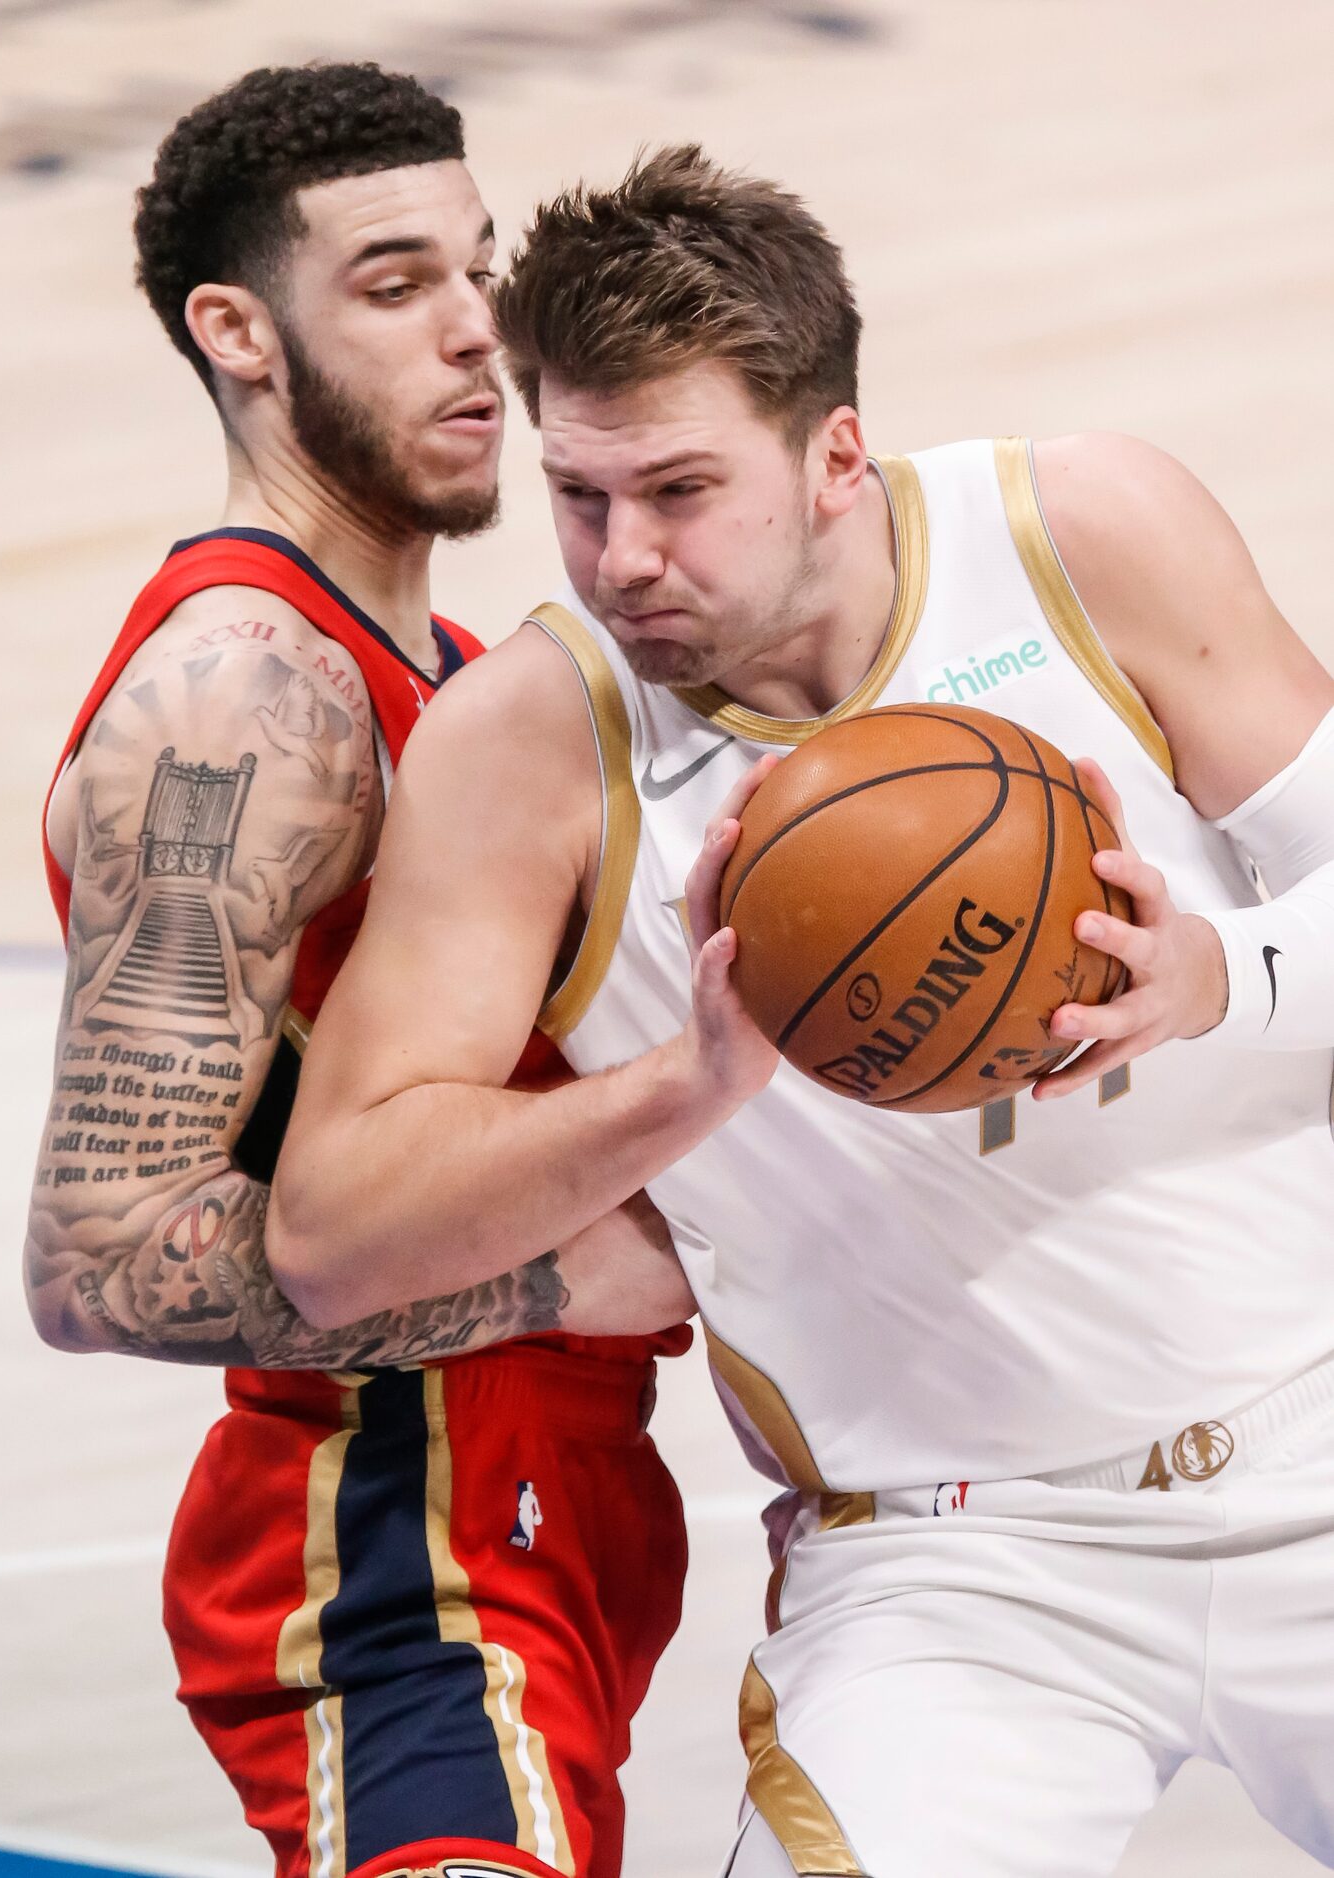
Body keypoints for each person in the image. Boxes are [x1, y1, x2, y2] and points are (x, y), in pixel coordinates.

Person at [269, 146, 1334, 1876]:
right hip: (959, 1567)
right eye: (581, 492)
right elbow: (329, 1230)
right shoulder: (534, 743)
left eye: (679, 488)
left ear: (838, 454)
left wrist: (1222, 976)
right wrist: (691, 1083)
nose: (623, 557)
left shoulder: (1077, 533)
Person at [25, 69, 693, 1878]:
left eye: (479, 271)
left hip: (541, 1520)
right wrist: (563, 1265)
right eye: (397, 287)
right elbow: (99, 1263)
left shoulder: (456, 662)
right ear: (235, 332)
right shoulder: (241, 695)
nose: (483, 335)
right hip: (389, 1560)